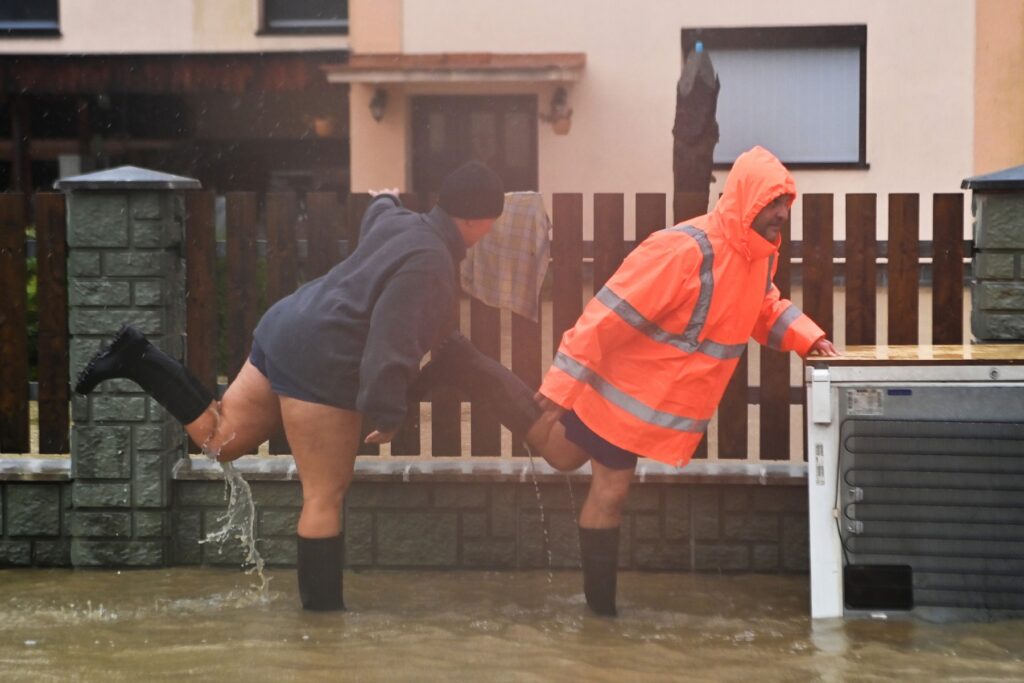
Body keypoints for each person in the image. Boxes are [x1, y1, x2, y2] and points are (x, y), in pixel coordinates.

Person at [418, 146, 838, 617]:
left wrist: (809, 338)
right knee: (610, 492)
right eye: (772, 202)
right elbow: (606, 316)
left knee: (562, 454)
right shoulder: (685, 250)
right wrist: (561, 384)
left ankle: (463, 364)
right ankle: (602, 617)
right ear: (747, 199)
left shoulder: (756, 257)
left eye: (785, 202)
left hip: (636, 397)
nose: (782, 213)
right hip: (623, 392)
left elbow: (764, 306)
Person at [74, 160, 507, 612]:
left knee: (220, 440)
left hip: (287, 327)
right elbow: (391, 340)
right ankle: (322, 627)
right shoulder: (432, 262)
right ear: (476, 220)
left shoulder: (402, 223)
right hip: (324, 360)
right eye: (493, 220)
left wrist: (385, 196)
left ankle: (137, 357)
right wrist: (388, 411)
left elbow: (378, 213)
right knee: (323, 497)